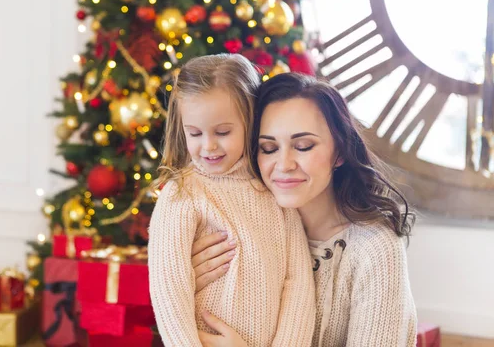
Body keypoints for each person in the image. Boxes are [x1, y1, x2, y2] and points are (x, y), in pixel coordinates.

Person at [193, 73, 418, 346]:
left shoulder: (374, 249)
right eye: (268, 148)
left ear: (340, 152)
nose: (284, 164)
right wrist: (190, 279)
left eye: (303, 146)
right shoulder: (237, 229)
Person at [148, 55, 316, 347]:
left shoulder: (274, 192)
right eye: (195, 133)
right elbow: (169, 288)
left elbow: (298, 284)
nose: (209, 145)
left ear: (250, 121)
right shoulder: (183, 193)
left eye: (223, 132)